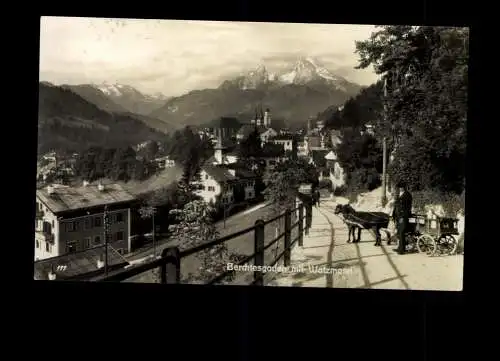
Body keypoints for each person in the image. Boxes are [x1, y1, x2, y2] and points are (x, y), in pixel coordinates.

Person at [392, 181, 413, 254]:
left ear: (404, 187)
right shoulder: (399, 194)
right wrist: (394, 215)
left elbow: (408, 207)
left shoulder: (407, 195)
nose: (400, 188)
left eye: (402, 187)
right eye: (400, 187)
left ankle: (401, 250)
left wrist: (403, 216)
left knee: (401, 232)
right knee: (399, 232)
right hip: (398, 216)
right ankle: (400, 247)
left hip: (403, 217)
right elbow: (396, 206)